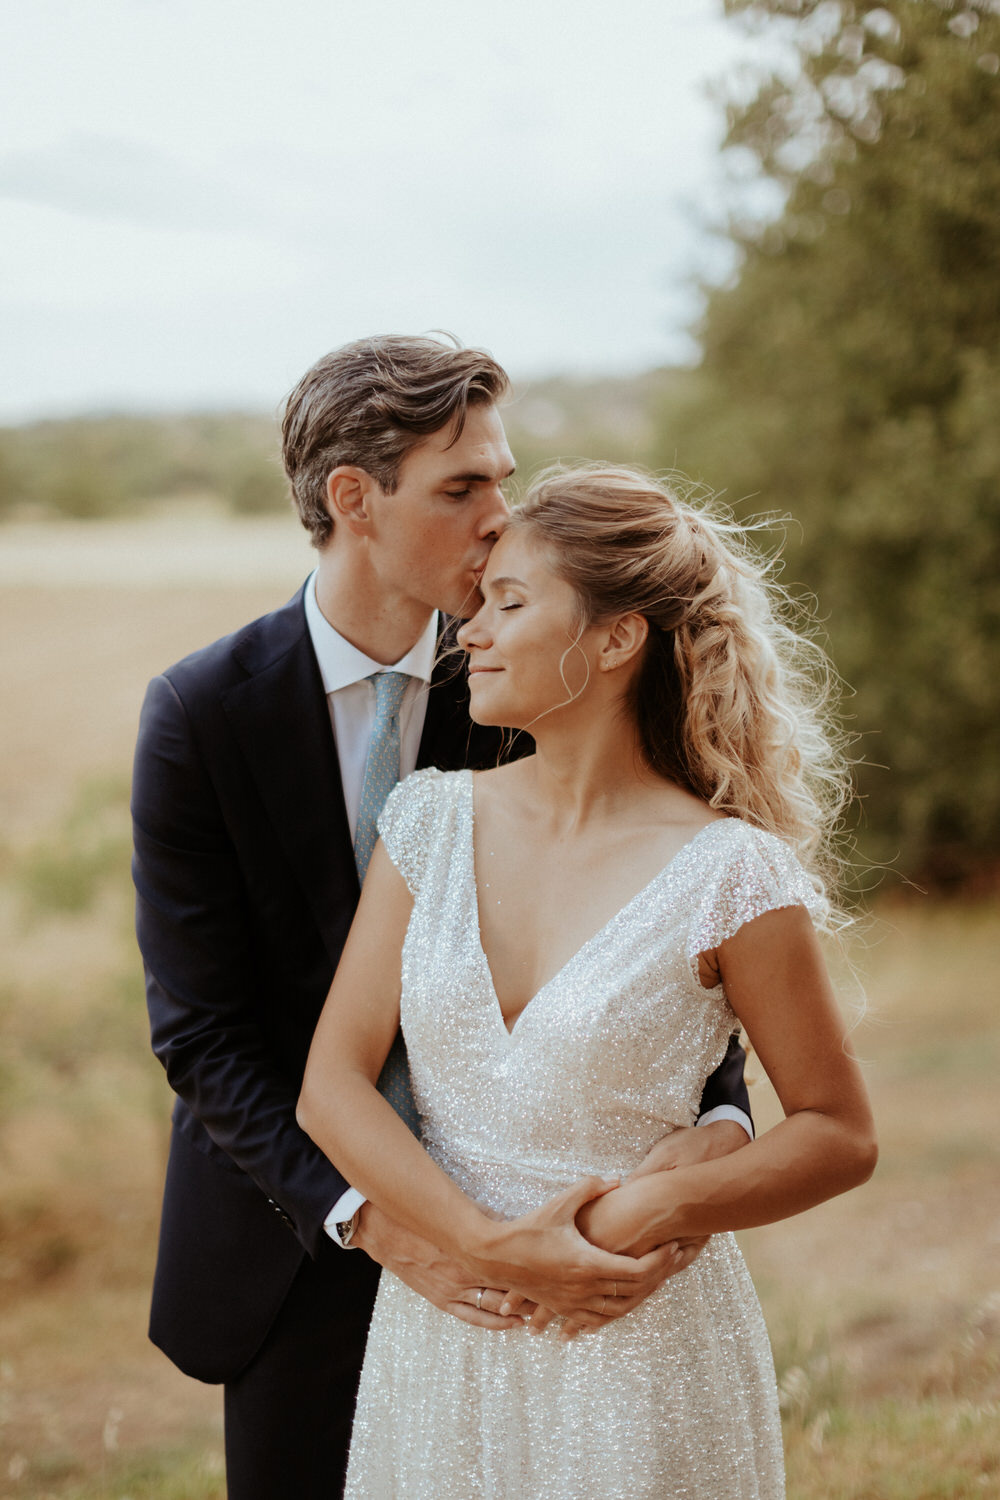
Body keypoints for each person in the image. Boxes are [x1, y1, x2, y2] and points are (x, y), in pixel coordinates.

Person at [131, 339, 754, 1499]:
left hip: (558, 1247)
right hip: (301, 1239)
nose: (499, 520)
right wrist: (389, 1226)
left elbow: (670, 921)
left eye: (503, 481)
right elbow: (204, 1038)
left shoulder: (535, 678)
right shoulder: (199, 715)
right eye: (463, 487)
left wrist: (720, 1117)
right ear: (352, 500)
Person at [298, 464, 879, 1499]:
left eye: (509, 603)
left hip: (635, 1334)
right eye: (479, 603)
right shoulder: (429, 821)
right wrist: (484, 1243)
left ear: (616, 641)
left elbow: (836, 1130)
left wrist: (644, 1212)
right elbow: (331, 1086)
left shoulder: (729, 872)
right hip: (448, 1332)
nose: (468, 631)